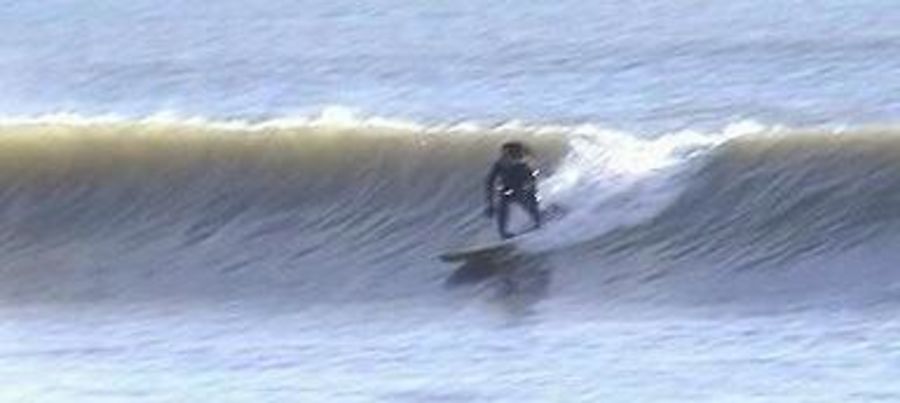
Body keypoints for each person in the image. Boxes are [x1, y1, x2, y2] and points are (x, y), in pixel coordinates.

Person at [485, 141, 541, 239]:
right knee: (502, 204)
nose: (502, 157)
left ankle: (539, 222)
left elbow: (533, 180)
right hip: (507, 190)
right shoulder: (499, 165)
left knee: (527, 202)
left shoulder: (523, 165)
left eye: (506, 154)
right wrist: (490, 204)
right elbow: (489, 182)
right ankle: (503, 234)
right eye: (502, 154)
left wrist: (531, 193)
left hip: (523, 190)